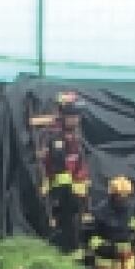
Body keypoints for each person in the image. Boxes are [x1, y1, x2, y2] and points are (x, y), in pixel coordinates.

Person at [36, 89, 91, 256]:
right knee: (65, 232)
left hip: (74, 196)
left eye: (77, 115)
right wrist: (73, 194)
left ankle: (75, 261)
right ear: (62, 114)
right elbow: (59, 169)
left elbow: (78, 165)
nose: (76, 119)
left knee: (74, 231)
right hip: (62, 195)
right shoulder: (54, 137)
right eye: (72, 115)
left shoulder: (73, 135)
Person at [85, 173, 135, 269]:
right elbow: (91, 238)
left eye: (126, 196)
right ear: (113, 195)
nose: (124, 200)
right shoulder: (100, 212)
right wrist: (105, 248)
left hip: (128, 265)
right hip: (106, 264)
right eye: (121, 196)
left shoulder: (131, 210)